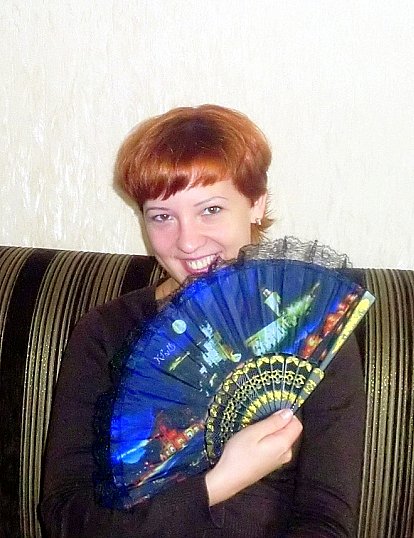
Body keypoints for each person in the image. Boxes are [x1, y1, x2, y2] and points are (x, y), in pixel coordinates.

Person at [40, 105, 366, 537]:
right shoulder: (105, 333)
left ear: (255, 204)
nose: (188, 241)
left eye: (210, 209)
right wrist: (219, 482)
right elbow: (64, 517)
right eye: (162, 216)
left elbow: (327, 521)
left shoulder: (314, 327)